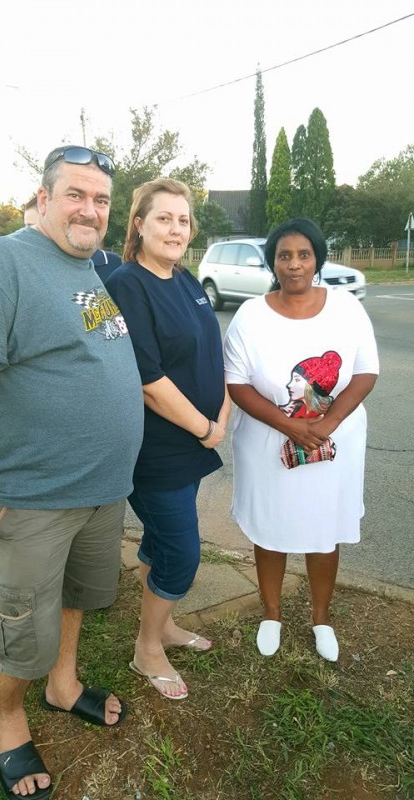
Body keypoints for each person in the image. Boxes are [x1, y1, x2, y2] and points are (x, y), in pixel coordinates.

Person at [0, 145, 144, 799]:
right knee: (20, 624)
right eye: (75, 194)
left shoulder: (88, 269)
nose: (90, 210)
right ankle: (9, 722)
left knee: (76, 597)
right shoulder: (3, 262)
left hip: (102, 491)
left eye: (101, 200)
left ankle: (63, 684)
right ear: (43, 198)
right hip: (36, 496)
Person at [223, 217, 379, 663]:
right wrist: (290, 425)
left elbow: (366, 371)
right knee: (270, 526)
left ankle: (321, 618)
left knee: (323, 530)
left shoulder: (346, 308)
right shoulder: (251, 315)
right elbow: (236, 382)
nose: (294, 264)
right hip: (267, 443)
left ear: (317, 259)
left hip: (334, 443)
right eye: (284, 256)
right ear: (272, 262)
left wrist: (327, 425)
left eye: (304, 255)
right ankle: (271, 614)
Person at [105, 178, 230, 700]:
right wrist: (207, 428)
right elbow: (148, 381)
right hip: (156, 450)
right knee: (181, 553)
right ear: (139, 225)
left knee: (159, 541)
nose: (176, 229)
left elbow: (209, 352)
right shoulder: (127, 286)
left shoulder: (184, 279)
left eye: (183, 220)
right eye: (164, 218)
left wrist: (222, 409)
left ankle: (164, 625)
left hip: (193, 444)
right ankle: (146, 648)